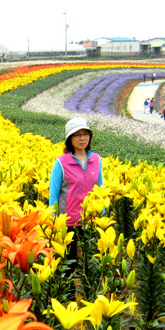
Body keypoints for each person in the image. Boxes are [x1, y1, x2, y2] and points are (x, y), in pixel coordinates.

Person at [49, 118, 104, 285]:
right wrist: (54, 219)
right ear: (69, 139)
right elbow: (54, 194)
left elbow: (100, 187)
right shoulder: (61, 162)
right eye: (77, 135)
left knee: (91, 263)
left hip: (91, 220)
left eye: (85, 134)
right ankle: (69, 300)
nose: (82, 138)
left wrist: (101, 212)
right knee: (69, 264)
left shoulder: (96, 159)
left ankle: (90, 297)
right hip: (69, 222)